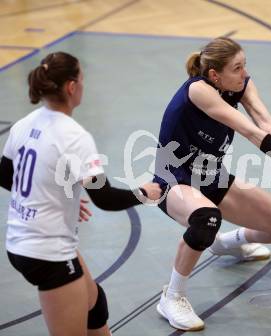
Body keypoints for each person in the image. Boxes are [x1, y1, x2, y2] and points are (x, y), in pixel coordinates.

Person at [153, 37, 271, 331]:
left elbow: (266, 123)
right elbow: (251, 132)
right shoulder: (199, 91)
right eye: (237, 68)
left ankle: (227, 244)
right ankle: (172, 297)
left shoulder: (240, 85)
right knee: (206, 219)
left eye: (245, 65)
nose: (245, 73)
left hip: (212, 178)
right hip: (174, 182)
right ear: (214, 75)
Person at [0, 52, 161, 336]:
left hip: (19, 241)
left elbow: (4, 176)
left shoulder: (24, 124)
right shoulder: (74, 137)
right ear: (72, 87)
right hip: (48, 252)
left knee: (93, 303)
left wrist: (52, 193)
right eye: (82, 80)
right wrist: (144, 193)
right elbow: (105, 198)